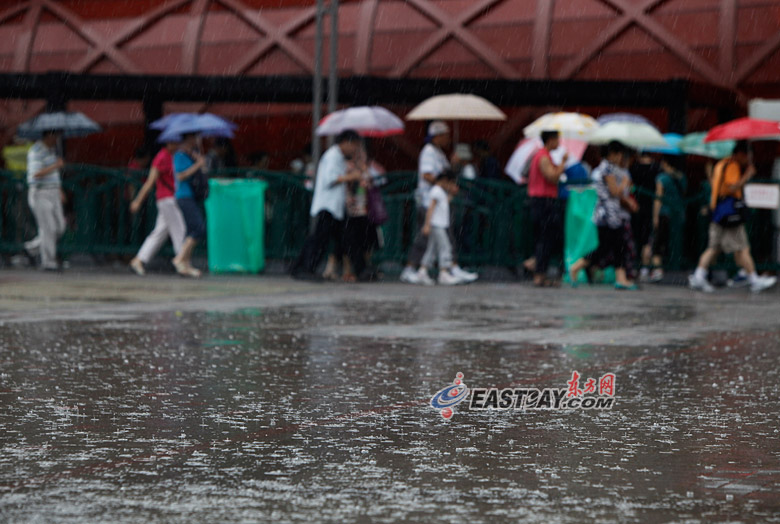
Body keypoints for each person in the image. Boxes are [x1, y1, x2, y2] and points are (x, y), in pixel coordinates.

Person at [688, 140, 776, 293]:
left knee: (714, 248)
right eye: (747, 154)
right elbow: (731, 187)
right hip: (730, 213)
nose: (748, 158)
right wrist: (747, 175)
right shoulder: (732, 166)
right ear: (740, 154)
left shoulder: (721, 164)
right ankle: (753, 279)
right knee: (742, 248)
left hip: (719, 212)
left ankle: (699, 276)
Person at [400, 121, 476, 284]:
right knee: (425, 237)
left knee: (441, 239)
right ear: (437, 136)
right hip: (429, 201)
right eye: (445, 135)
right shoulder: (428, 152)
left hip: (440, 203)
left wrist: (454, 164)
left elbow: (446, 173)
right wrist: (445, 185)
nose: (447, 139)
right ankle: (413, 268)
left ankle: (445, 267)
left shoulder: (439, 153)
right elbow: (427, 175)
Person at [290, 130, 364, 280]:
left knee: (340, 238)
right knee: (320, 239)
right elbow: (330, 179)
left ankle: (301, 267)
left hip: (335, 206)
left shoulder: (338, 157)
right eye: (354, 145)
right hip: (328, 205)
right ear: (345, 142)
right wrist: (352, 176)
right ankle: (304, 268)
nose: (354, 149)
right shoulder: (332, 156)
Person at [568, 141, 639, 290]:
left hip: (612, 216)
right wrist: (625, 183)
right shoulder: (606, 169)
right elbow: (614, 192)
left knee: (611, 248)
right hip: (607, 216)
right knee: (612, 248)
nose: (620, 157)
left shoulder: (611, 168)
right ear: (612, 154)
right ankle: (577, 268)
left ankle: (619, 278)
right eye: (619, 154)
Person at [128, 141, 187, 276]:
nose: (178, 145)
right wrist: (137, 201)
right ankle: (182, 261)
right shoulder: (161, 158)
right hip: (167, 198)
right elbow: (150, 182)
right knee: (180, 229)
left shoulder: (175, 156)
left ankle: (139, 259)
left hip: (169, 197)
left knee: (159, 232)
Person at [527, 130, 568, 287]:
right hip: (542, 202)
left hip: (544, 202)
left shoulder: (545, 155)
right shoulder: (543, 156)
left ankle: (538, 269)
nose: (559, 143)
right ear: (550, 140)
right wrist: (563, 163)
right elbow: (552, 176)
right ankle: (538, 273)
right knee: (544, 238)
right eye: (557, 139)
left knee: (546, 238)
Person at [417, 171, 470, 285]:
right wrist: (427, 224)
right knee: (445, 247)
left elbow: (444, 203)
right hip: (437, 225)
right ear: (445, 181)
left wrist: (451, 194)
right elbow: (431, 208)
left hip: (438, 224)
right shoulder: (436, 191)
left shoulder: (440, 192)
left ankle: (423, 270)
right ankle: (444, 272)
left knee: (431, 249)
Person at [24, 130, 66, 271]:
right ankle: (49, 262)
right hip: (41, 192)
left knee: (60, 226)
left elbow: (54, 174)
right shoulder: (36, 150)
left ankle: (32, 248)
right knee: (48, 228)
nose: (57, 139)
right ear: (49, 136)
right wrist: (56, 165)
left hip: (53, 191)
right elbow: (35, 174)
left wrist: (59, 190)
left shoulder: (52, 150)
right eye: (56, 136)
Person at [171, 133, 208, 278]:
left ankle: (185, 264)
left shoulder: (192, 154)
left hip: (191, 195)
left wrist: (200, 162)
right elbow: (180, 175)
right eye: (195, 137)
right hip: (184, 195)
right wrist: (197, 165)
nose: (198, 140)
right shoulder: (180, 155)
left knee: (191, 230)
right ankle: (179, 258)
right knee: (198, 228)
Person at [648, 157, 687, 282]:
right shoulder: (682, 178)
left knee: (658, 244)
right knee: (675, 243)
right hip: (678, 214)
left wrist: (655, 216)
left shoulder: (662, 178)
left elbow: (658, 198)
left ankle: (658, 270)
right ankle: (675, 267)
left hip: (664, 214)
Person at [630, 152, 661, 281]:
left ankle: (640, 267)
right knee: (649, 239)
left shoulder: (633, 168)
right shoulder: (656, 168)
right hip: (650, 207)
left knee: (637, 238)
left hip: (635, 207)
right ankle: (646, 267)